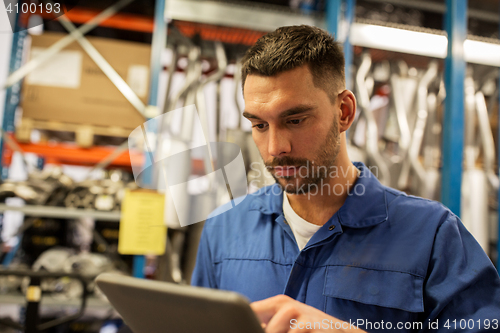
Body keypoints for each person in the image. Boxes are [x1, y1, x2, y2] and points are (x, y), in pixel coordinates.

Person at [191, 25, 500, 332]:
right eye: (260, 125)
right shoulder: (224, 229)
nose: (275, 148)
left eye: (295, 120)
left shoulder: (433, 237)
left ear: (344, 112)